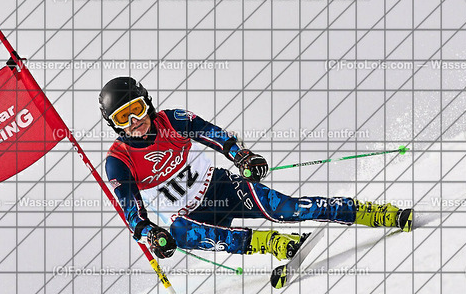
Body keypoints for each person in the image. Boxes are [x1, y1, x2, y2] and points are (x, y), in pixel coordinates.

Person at [101, 76, 413, 261]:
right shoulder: (118, 160)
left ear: (147, 103)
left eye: (137, 109)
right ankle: (272, 243)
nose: (134, 122)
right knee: (180, 234)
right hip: (191, 217)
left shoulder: (172, 120)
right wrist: (150, 234)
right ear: (114, 125)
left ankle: (372, 213)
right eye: (122, 118)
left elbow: (214, 135)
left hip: (221, 188)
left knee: (287, 209)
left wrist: (242, 157)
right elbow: (133, 212)